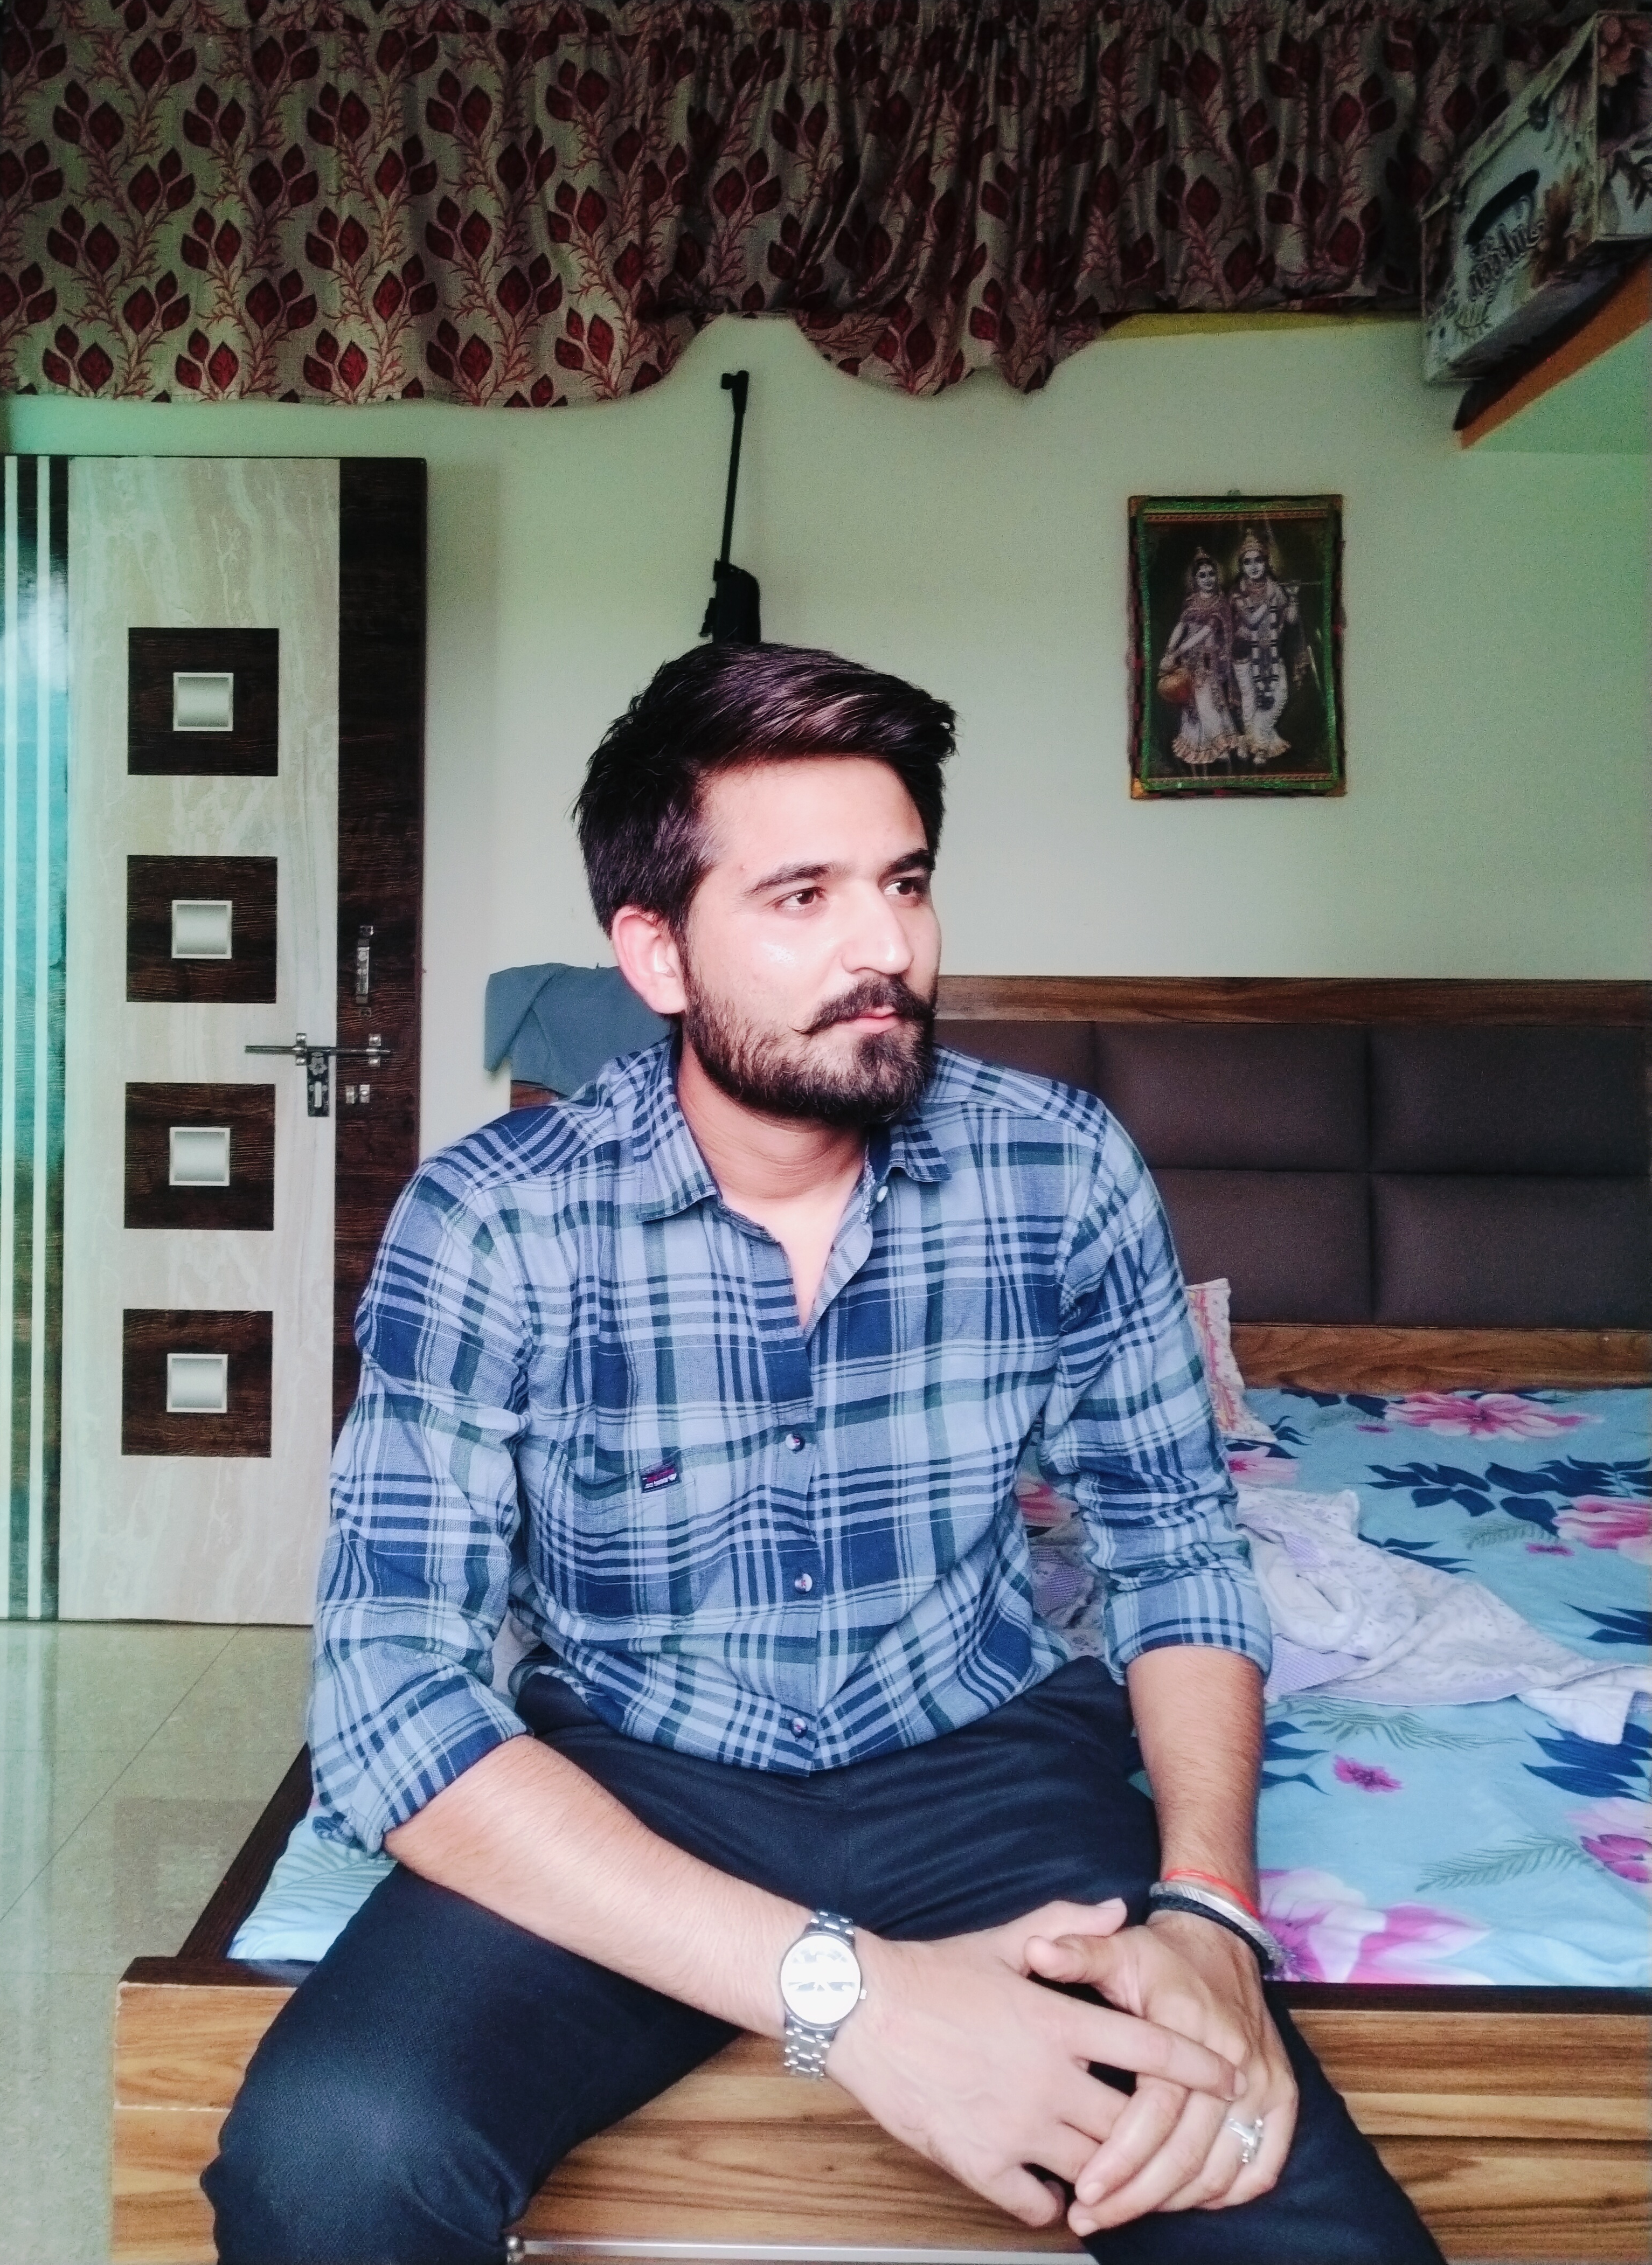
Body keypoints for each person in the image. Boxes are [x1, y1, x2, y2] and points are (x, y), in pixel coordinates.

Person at [204, 643, 1443, 2265]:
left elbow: (1172, 1539)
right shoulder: (494, 1220)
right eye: (802, 895)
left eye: (904, 882)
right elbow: (387, 1695)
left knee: (1291, 2224)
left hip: (985, 1767)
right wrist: (856, 2000)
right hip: (637, 1773)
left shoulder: (1058, 1168)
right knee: (328, 2160)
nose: (887, 947)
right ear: (655, 951)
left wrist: (1207, 1905)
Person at [1227, 527, 1311, 763]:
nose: (1254, 567)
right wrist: (1270, 600)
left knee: (1280, 695)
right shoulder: (1238, 593)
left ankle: (1251, 741)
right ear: (1241, 567)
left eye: (1258, 561)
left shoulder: (1276, 589)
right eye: (1248, 562)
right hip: (1245, 655)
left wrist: (1292, 597)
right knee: (1250, 700)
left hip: (1272, 654)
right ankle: (1261, 747)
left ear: (1266, 562)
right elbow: (1251, 621)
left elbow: (1291, 620)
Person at [1156, 550, 1238, 768]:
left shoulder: (1220, 603)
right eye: (1203, 575)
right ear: (1195, 579)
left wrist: (1176, 652)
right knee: (1190, 702)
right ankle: (1200, 746)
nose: (1208, 579)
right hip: (1188, 661)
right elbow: (1181, 625)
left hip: (1209, 661)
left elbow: (1206, 631)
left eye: (1211, 574)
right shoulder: (1191, 601)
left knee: (1207, 702)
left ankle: (1221, 745)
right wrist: (1169, 650)